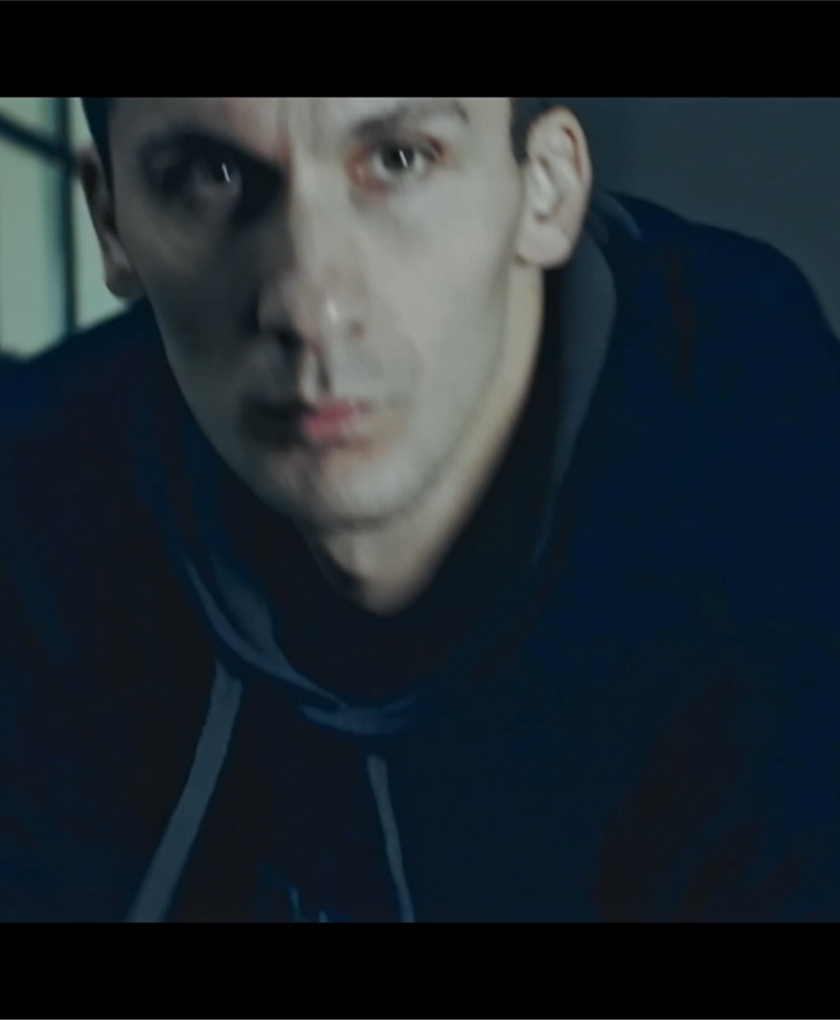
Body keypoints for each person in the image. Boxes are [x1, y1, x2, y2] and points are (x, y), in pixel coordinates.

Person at [1, 97, 839, 922]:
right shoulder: (46, 503)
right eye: (208, 174)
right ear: (111, 221)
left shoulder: (777, 502)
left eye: (399, 159)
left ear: (546, 189)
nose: (310, 305)